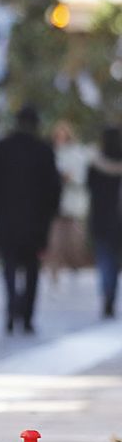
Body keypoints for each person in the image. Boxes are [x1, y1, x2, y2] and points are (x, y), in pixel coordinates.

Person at [0, 107, 62, 335]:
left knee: (8, 266)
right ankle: (26, 315)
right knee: (32, 268)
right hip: (35, 222)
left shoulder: (0, 149)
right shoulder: (44, 151)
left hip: (6, 219)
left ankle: (12, 308)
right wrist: (49, 214)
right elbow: (54, 189)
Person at [49, 120, 92, 284]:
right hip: (55, 205)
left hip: (72, 204)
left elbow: (82, 178)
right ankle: (54, 273)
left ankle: (75, 267)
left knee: (74, 242)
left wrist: (69, 178)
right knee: (55, 243)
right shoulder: (51, 153)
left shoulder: (77, 154)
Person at [86, 126, 122, 319]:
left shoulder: (95, 164)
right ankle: (111, 295)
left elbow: (89, 187)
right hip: (118, 219)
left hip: (101, 218)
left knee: (104, 259)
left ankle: (106, 295)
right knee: (114, 261)